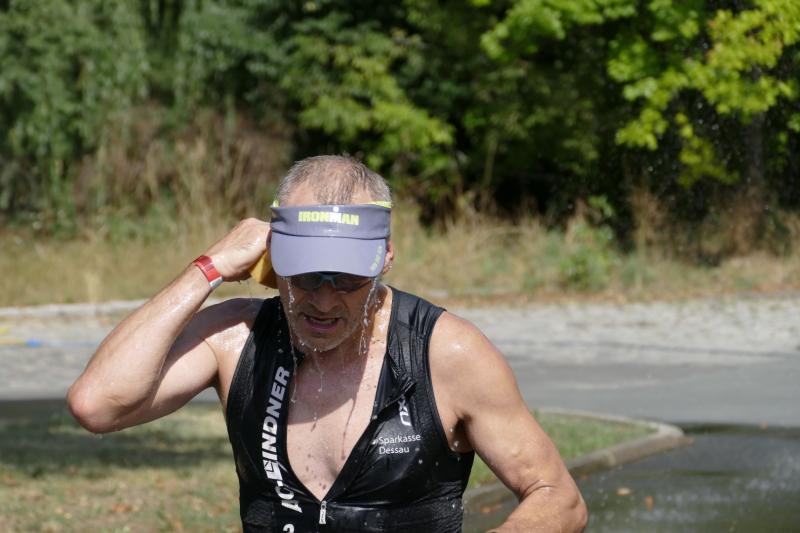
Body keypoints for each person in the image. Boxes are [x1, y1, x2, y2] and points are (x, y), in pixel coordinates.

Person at [67, 155, 587, 532]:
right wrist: (208, 268)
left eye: (348, 279)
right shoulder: (236, 338)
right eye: (305, 275)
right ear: (272, 259)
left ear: (384, 258)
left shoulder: (444, 353)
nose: (323, 300)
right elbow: (98, 404)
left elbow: (558, 498)